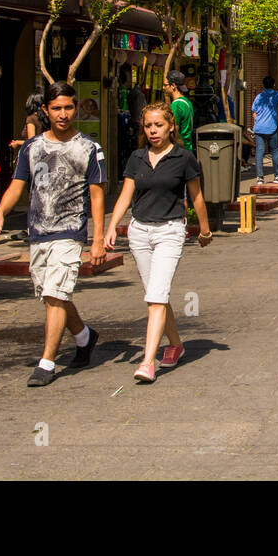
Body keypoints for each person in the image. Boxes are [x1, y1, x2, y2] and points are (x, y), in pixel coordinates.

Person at [0, 82, 106, 387]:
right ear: (45, 111)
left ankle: (47, 361)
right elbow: (17, 184)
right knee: (53, 294)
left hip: (70, 231)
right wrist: (0, 211)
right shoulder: (32, 147)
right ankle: (83, 336)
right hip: (38, 231)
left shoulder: (89, 149)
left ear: (76, 107)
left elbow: (96, 196)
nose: (63, 114)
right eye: (57, 108)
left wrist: (96, 239)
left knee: (55, 292)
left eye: (68, 107)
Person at [104, 102, 213, 384]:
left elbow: (196, 196)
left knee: (155, 297)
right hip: (139, 232)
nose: (153, 131)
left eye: (159, 125)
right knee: (157, 295)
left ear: (171, 127)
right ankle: (175, 344)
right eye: (149, 126)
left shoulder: (183, 157)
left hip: (170, 231)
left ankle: (147, 361)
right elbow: (126, 195)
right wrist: (111, 227)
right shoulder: (136, 158)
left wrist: (204, 229)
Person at [251, 76, 278, 184]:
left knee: (259, 152)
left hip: (259, 128)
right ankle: (277, 177)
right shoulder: (275, 94)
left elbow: (254, 113)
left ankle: (260, 178)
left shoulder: (259, 96)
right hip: (271, 128)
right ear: (273, 85)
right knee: (274, 152)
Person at [165, 70, 195, 152]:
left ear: (173, 85)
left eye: (165, 85)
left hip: (180, 149)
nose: (163, 88)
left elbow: (174, 130)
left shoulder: (176, 105)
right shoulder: (187, 102)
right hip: (188, 147)